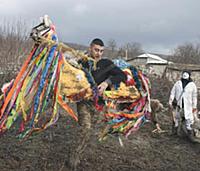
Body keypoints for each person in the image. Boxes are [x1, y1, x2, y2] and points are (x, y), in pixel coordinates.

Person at [68, 38, 127, 170]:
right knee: (85, 128)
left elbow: (122, 75)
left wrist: (107, 82)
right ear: (90, 48)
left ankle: (79, 153)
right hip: (84, 102)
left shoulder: (106, 63)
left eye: (101, 51)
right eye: (96, 50)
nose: (99, 53)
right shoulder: (82, 62)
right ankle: (73, 157)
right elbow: (70, 77)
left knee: (89, 132)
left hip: (99, 105)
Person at [168, 70, 198, 142]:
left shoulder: (192, 85)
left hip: (188, 106)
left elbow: (194, 96)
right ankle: (174, 133)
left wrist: (194, 106)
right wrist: (170, 101)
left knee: (189, 120)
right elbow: (173, 92)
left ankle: (190, 136)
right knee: (176, 118)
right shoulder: (177, 83)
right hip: (178, 105)